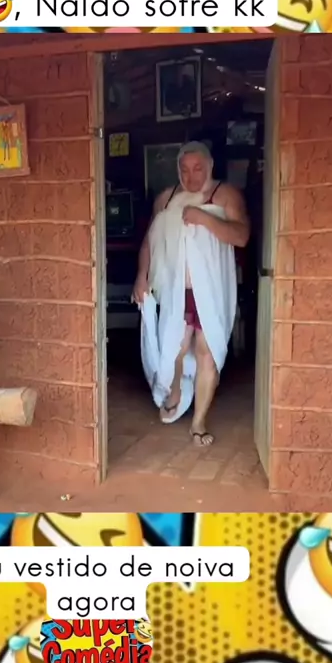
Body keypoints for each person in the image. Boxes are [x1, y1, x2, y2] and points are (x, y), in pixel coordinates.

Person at [132, 142, 250, 446]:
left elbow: (241, 235)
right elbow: (150, 242)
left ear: (210, 166)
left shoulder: (225, 195)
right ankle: (174, 390)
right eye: (184, 169)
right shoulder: (166, 199)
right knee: (176, 346)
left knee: (206, 351)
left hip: (212, 291)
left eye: (198, 168)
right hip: (176, 291)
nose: (191, 176)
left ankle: (198, 422)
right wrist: (141, 277)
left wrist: (204, 218)